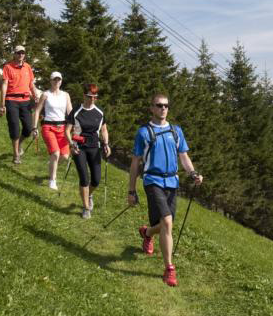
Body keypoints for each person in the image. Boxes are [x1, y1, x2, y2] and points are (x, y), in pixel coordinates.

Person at [128, 93, 203, 287]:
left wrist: (193, 173)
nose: (163, 109)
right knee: (168, 223)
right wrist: (131, 191)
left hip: (172, 182)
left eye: (166, 106)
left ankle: (147, 233)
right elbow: (136, 162)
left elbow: (183, 156)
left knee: (165, 224)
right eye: (159, 105)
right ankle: (169, 268)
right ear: (151, 108)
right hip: (152, 181)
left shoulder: (176, 131)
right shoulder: (144, 132)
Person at [66, 83, 110, 219]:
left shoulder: (100, 112)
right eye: (90, 96)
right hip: (79, 147)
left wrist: (106, 144)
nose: (92, 99)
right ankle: (85, 208)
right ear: (84, 96)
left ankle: (89, 194)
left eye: (95, 97)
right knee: (84, 178)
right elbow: (67, 131)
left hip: (94, 147)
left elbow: (104, 129)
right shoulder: (76, 111)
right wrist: (71, 145)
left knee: (96, 180)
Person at [0, 45, 40, 164]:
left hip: (25, 101)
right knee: (14, 128)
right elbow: (4, 85)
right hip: (11, 100)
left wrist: (35, 94)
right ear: (14, 54)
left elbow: (31, 84)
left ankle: (19, 144)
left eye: (22, 53)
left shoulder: (28, 67)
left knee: (28, 128)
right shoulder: (8, 67)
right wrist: (2, 104)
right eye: (18, 53)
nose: (21, 55)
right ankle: (16, 155)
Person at [33, 71, 73, 190]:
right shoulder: (45, 94)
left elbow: (70, 112)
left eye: (59, 80)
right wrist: (34, 127)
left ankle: (52, 164)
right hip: (48, 127)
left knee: (65, 156)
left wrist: (76, 127)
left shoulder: (65, 95)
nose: (57, 82)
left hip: (62, 128)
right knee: (55, 153)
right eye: (54, 79)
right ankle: (52, 180)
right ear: (50, 81)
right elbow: (37, 111)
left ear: (61, 81)